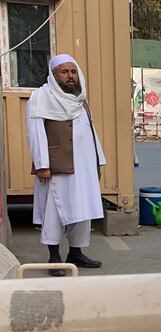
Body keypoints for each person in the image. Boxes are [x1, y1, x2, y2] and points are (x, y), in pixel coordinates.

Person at [25, 54, 106, 277]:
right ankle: (54, 257)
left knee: (82, 210)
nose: (70, 77)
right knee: (54, 212)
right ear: (53, 74)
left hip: (84, 167)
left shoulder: (80, 99)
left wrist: (98, 160)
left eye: (73, 71)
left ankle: (76, 253)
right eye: (64, 72)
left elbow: (89, 131)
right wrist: (42, 165)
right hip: (56, 167)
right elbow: (35, 134)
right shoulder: (41, 97)